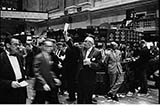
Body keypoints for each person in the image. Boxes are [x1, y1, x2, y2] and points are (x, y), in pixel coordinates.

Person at [63, 30, 102, 104]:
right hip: (80, 76)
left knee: (88, 98)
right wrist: (66, 37)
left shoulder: (97, 52)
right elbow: (72, 46)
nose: (84, 43)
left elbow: (99, 65)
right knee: (80, 97)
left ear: (91, 43)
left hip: (90, 78)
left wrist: (90, 63)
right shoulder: (81, 49)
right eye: (84, 41)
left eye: (86, 41)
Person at [32, 39, 61, 104]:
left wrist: (54, 78)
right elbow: (37, 72)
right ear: (44, 47)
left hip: (49, 84)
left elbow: (49, 70)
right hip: (41, 85)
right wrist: (44, 83)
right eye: (49, 46)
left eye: (52, 46)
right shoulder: (38, 57)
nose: (51, 48)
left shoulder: (49, 56)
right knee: (39, 101)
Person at [0, 37, 28, 104]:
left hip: (21, 91)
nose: (18, 47)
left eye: (19, 44)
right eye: (15, 44)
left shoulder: (19, 56)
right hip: (7, 93)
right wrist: (10, 83)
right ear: (8, 45)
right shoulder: (1, 58)